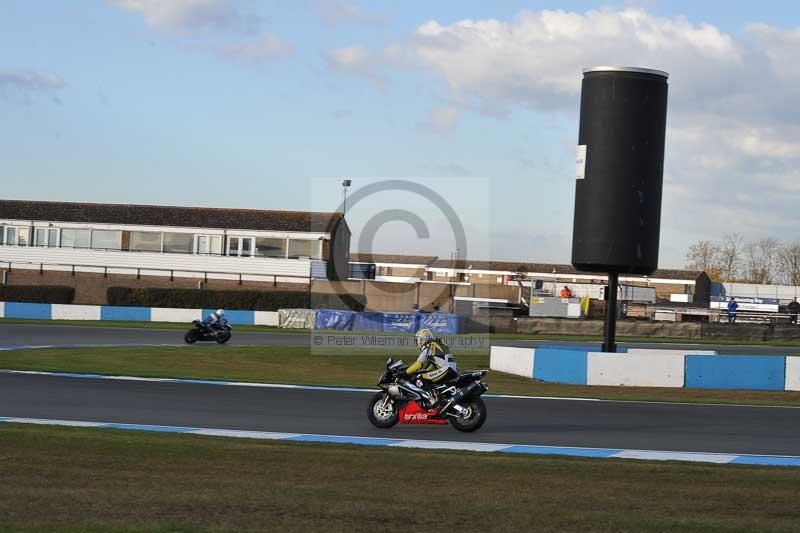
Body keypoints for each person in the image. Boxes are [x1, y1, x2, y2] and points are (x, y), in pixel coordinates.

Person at [400, 328, 458, 408]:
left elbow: (418, 364)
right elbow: (432, 365)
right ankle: (440, 397)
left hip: (446, 370)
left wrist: (405, 372)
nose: (417, 343)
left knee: (420, 377)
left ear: (422, 339)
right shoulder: (438, 345)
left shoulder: (429, 347)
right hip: (452, 369)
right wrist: (422, 371)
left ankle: (433, 399)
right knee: (425, 375)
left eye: (417, 340)